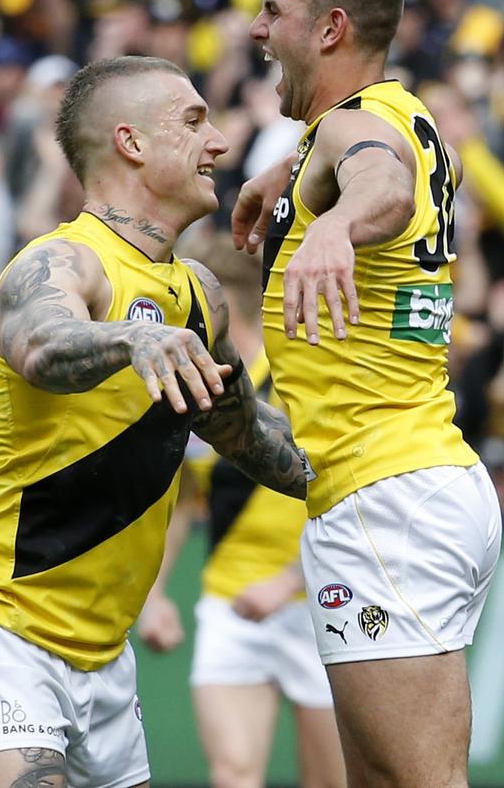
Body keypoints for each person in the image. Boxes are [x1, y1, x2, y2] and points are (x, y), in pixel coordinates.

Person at [0, 55, 308, 788]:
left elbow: (248, 435)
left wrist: (363, 474)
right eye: (193, 121)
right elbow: (41, 344)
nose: (218, 140)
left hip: (105, 662)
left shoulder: (202, 295)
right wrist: (133, 336)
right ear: (131, 143)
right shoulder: (61, 262)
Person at [231, 0, 502, 787]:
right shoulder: (398, 112)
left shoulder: (360, 134)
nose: (255, 28)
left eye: (275, 11)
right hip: (402, 486)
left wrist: (340, 226)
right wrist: (291, 169)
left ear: (331, 28)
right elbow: (370, 151)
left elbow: (380, 180)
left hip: (389, 501)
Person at [139, 231, 345, 788]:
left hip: (321, 604)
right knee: (233, 772)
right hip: (229, 604)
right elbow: (181, 504)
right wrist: (153, 598)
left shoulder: (304, 374)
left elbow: (350, 494)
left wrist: (287, 582)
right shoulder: (198, 385)